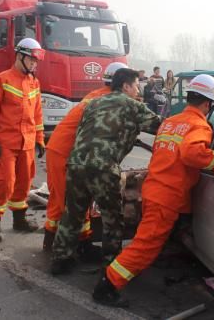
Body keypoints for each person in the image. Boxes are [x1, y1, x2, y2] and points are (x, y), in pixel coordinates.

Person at [92, 74, 214, 307]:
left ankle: (111, 277)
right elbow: (191, 154)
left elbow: (167, 155)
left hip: (155, 189)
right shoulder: (198, 125)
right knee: (146, 247)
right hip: (165, 197)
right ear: (208, 103)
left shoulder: (172, 121)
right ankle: (108, 285)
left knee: (148, 241)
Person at [51, 68, 162, 275]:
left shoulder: (93, 103)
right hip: (103, 167)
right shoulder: (133, 105)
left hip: (75, 164)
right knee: (112, 218)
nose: (138, 90)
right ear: (126, 86)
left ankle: (60, 259)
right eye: (136, 85)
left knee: (73, 214)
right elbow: (161, 128)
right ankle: (111, 265)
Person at [43, 62, 128, 258]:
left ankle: (51, 242)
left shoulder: (97, 95)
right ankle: (78, 246)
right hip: (67, 153)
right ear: (122, 84)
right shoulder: (108, 101)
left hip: (60, 149)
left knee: (62, 200)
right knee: (75, 203)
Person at [0, 38, 46, 243]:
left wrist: (40, 138)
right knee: (5, 183)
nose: (35, 65)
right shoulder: (1, 80)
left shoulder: (34, 82)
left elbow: (37, 114)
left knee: (24, 183)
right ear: (20, 56)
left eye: (37, 62)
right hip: (6, 143)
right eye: (32, 60)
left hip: (27, 143)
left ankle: (19, 220)